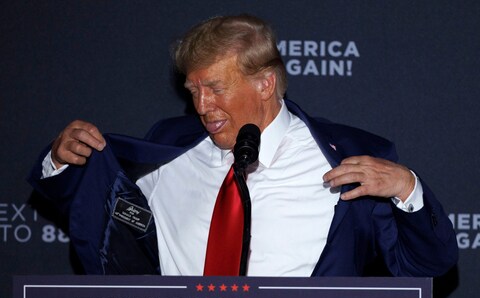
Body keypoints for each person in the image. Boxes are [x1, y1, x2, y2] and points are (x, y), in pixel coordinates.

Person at [29, 14, 457, 277]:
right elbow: (97, 212)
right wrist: (61, 159)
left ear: (265, 82)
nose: (201, 105)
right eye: (192, 90)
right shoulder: (168, 144)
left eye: (214, 88)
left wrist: (407, 188)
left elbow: (425, 266)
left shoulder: (348, 157)